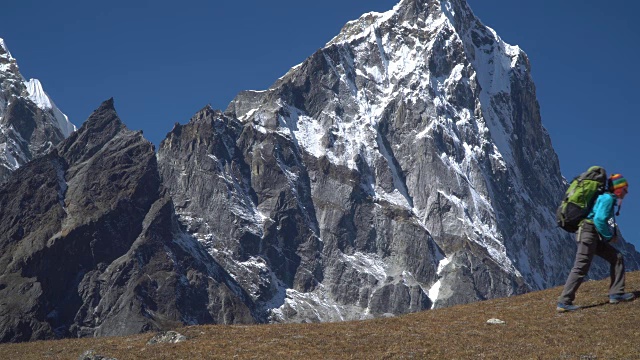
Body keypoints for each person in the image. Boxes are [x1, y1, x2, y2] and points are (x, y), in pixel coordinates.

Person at [557, 173, 634, 312]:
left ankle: (616, 293)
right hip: (589, 233)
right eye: (624, 189)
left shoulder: (605, 197)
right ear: (617, 188)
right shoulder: (607, 198)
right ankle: (564, 301)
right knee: (581, 267)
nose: (626, 192)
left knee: (617, 257)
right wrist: (609, 237)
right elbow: (599, 220)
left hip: (590, 234)